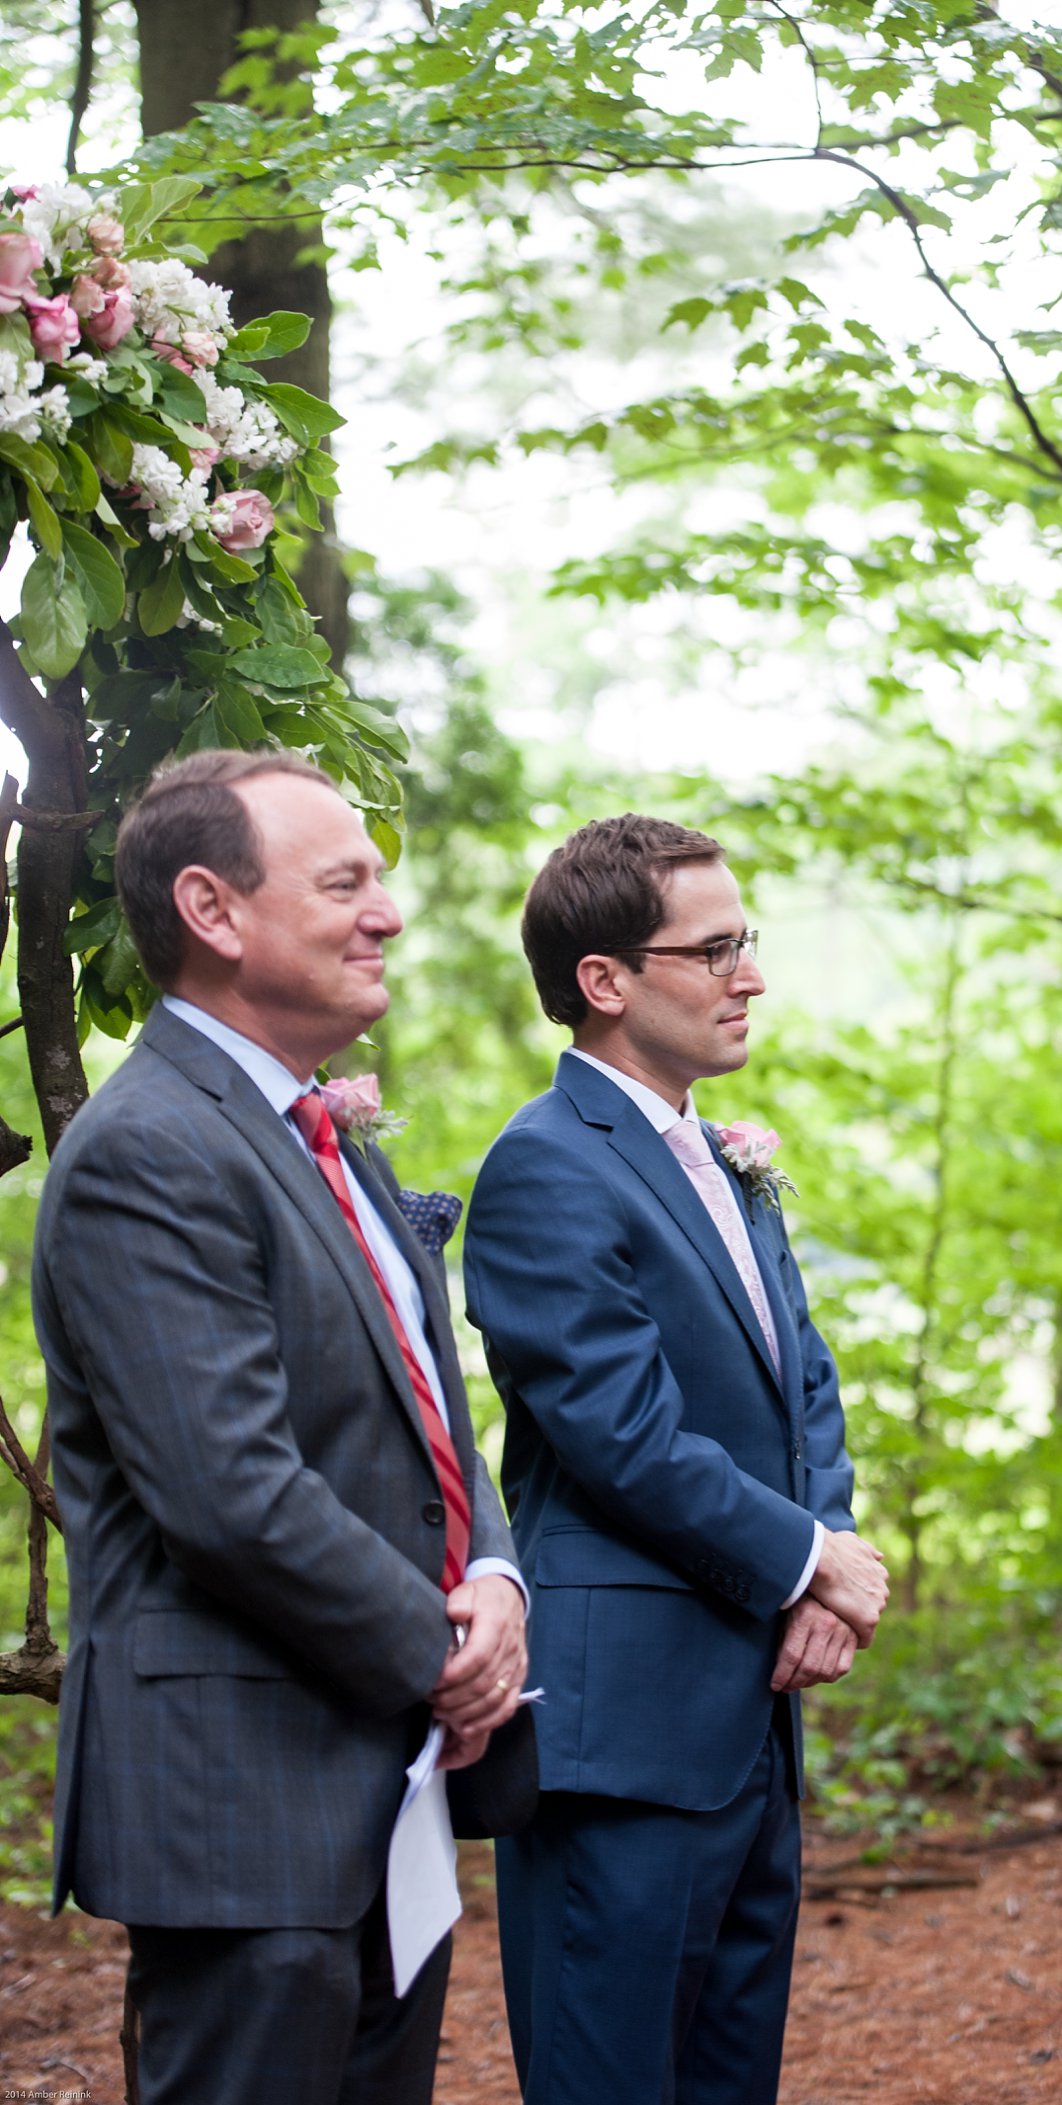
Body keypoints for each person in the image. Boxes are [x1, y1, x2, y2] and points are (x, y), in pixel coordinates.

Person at [31, 749, 530, 2105]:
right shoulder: (151, 1148)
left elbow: (429, 1404)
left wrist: (492, 1572)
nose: (390, 911)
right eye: (345, 879)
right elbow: (228, 1487)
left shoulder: (326, 1137)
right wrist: (438, 1650)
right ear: (215, 907)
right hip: (240, 1796)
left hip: (381, 1777)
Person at [464, 813, 889, 2105]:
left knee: (727, 2082)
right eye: (714, 950)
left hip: (753, 1716)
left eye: (742, 943)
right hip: (626, 1739)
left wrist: (816, 1570)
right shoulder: (544, 1169)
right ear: (606, 980)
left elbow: (803, 1379)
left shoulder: (724, 1155)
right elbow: (624, 1436)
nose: (748, 973)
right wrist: (810, 1554)